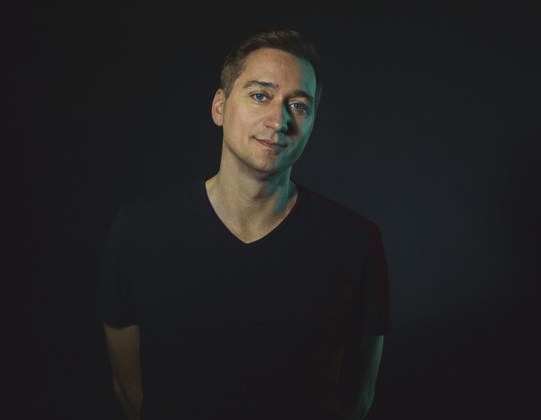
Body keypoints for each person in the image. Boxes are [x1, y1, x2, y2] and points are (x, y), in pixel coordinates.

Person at [97, 27, 391, 420]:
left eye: (299, 105)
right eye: (260, 96)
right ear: (220, 107)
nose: (279, 120)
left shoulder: (355, 241)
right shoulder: (138, 230)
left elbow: (358, 399)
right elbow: (130, 389)